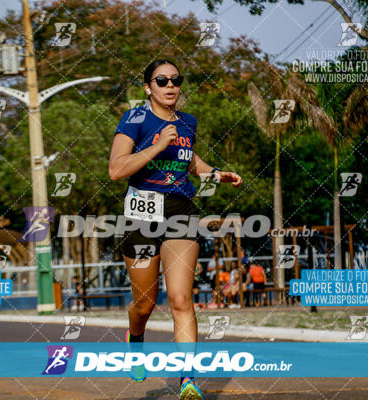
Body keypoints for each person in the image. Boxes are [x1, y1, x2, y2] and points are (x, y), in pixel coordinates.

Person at [109, 59, 242, 399]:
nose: (170, 86)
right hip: (140, 213)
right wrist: (156, 145)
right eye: (161, 80)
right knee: (145, 303)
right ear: (147, 87)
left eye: (176, 80)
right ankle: (135, 340)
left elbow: (189, 158)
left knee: (182, 299)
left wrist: (214, 173)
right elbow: (116, 169)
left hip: (180, 211)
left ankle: (187, 379)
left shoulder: (187, 123)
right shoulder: (135, 119)